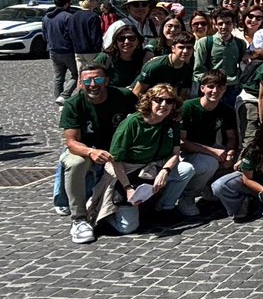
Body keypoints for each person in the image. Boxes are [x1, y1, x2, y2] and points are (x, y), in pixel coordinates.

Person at [90, 84, 196, 234]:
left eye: (169, 101)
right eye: (159, 100)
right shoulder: (132, 123)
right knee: (127, 228)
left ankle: (164, 208)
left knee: (187, 169)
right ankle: (108, 215)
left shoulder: (171, 123)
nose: (164, 105)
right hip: (127, 172)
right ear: (149, 101)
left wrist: (165, 171)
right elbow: (116, 160)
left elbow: (175, 153)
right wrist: (127, 188)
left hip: (154, 167)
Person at [57, 64, 138, 243]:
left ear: (107, 81)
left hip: (119, 152)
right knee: (75, 162)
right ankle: (78, 219)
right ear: (80, 83)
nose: (93, 84)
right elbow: (71, 142)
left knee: (130, 225)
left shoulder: (123, 97)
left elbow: (141, 119)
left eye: (98, 79)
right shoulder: (74, 104)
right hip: (87, 149)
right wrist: (91, 152)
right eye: (87, 80)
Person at [210, 116, 263, 221]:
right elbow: (246, 179)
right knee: (219, 186)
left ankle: (258, 205)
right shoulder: (254, 150)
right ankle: (241, 206)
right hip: (249, 183)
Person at [178, 71, 238, 216]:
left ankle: (209, 187)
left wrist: (230, 153)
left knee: (236, 162)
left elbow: (231, 138)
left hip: (211, 149)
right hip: (187, 153)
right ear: (202, 88)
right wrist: (213, 152)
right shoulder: (188, 107)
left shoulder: (226, 110)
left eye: (219, 87)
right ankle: (187, 196)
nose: (215, 91)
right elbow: (181, 142)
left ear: (224, 89)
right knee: (210, 163)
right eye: (210, 87)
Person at [192, 9, 247, 106]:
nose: (224, 27)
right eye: (220, 23)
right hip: (211, 90)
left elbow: (243, 66)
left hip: (232, 89)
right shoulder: (205, 43)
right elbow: (198, 71)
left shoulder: (240, 44)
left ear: (233, 24)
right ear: (215, 24)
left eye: (228, 23)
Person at [133, 32, 195, 98]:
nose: (185, 51)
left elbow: (182, 96)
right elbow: (137, 93)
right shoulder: (154, 66)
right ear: (173, 48)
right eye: (181, 47)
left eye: (189, 48)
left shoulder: (188, 69)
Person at [93, 22, 150, 88]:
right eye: (121, 39)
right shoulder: (105, 58)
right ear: (116, 42)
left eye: (131, 38)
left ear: (138, 41)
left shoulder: (144, 59)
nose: (126, 42)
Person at [43, 0, 77, 105]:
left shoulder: (46, 17)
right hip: (67, 50)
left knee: (58, 77)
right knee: (76, 75)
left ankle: (58, 97)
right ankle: (64, 95)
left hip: (53, 50)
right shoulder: (68, 16)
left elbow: (44, 34)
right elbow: (72, 34)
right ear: (67, 4)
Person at [67, 0, 104, 68]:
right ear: (90, 1)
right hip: (91, 51)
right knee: (94, 73)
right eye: (95, 0)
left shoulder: (73, 16)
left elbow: (70, 33)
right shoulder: (94, 17)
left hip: (78, 50)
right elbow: (95, 35)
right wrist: (99, 49)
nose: (96, 2)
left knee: (81, 74)